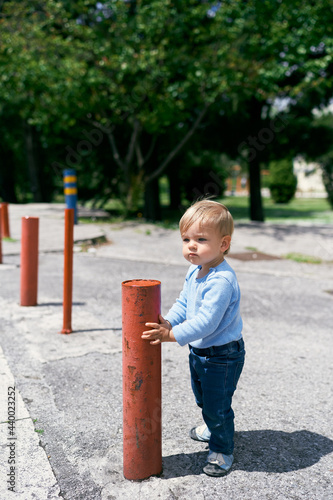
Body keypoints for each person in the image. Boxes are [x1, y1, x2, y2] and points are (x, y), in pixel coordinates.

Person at [142, 199, 245, 477]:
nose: (191, 246)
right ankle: (212, 425)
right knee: (203, 399)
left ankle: (222, 449)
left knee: (217, 405)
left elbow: (207, 323)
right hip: (201, 353)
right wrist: (170, 320)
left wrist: (171, 335)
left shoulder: (221, 280)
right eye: (186, 238)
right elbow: (185, 303)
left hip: (223, 355)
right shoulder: (194, 270)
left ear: (223, 244)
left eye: (201, 239)